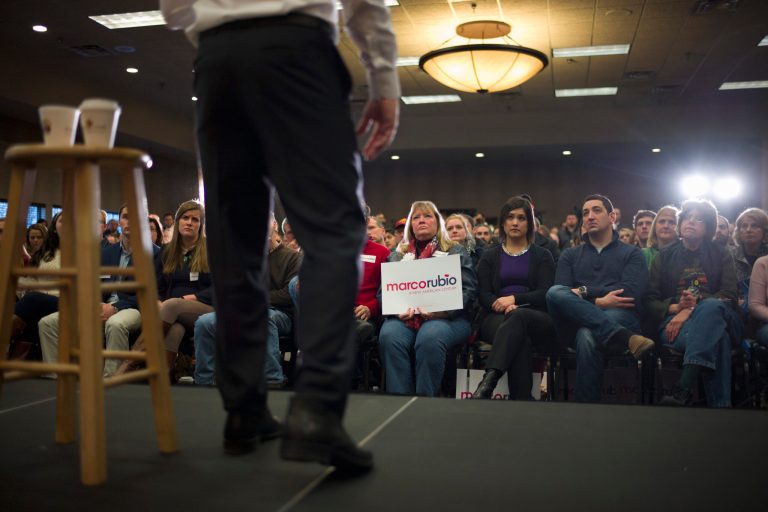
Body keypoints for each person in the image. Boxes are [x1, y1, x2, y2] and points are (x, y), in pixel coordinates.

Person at [161, 0, 400, 472]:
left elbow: (174, 8)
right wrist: (384, 78)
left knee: (234, 242)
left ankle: (245, 411)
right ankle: (315, 410)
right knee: (336, 229)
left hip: (217, 64)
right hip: (295, 51)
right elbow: (364, 6)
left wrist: (225, 32)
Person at [546, 194, 654, 403]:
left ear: (612, 216)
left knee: (588, 334)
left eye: (597, 210)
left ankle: (586, 412)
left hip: (621, 316)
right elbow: (562, 293)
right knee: (554, 292)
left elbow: (629, 292)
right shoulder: (570, 255)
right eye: (586, 213)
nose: (590, 216)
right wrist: (600, 301)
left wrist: (584, 292)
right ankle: (625, 338)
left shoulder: (632, 253)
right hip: (575, 324)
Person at [38, 205, 161, 376]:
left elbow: (153, 294)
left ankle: (111, 382)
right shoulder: (105, 253)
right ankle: (54, 379)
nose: (129, 221)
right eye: (125, 217)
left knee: (116, 324)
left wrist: (115, 307)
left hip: (133, 307)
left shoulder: (155, 254)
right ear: (119, 221)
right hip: (100, 304)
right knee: (48, 323)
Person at [644, 199, 740, 407]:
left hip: (718, 315)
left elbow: (730, 296)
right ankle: (721, 408)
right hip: (674, 324)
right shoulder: (664, 256)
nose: (691, 222)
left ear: (708, 228)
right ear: (680, 224)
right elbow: (650, 301)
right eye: (687, 217)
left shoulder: (722, 253)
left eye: (699, 220)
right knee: (718, 338)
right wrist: (677, 308)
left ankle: (683, 387)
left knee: (711, 307)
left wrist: (689, 310)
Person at [378, 201, 477, 396]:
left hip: (448, 318)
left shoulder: (455, 251)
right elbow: (383, 295)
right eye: (416, 217)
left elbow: (469, 291)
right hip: (405, 318)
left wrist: (441, 312)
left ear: (438, 223)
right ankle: (399, 401)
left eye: (427, 216)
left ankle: (424, 402)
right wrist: (396, 312)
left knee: (430, 337)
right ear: (411, 225)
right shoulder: (397, 256)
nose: (421, 220)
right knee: (389, 336)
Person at [471, 196, 556, 399]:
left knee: (519, 318)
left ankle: (488, 381)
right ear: (502, 223)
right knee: (520, 337)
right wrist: (500, 304)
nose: (515, 222)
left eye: (521, 218)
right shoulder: (489, 256)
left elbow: (546, 293)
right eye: (510, 217)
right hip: (495, 315)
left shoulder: (543, 255)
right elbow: (483, 294)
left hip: (536, 316)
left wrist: (515, 300)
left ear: (530, 224)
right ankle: (522, 400)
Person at [8, 212, 63, 360]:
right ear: (55, 227)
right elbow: (32, 280)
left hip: (65, 300)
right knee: (32, 321)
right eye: (62, 221)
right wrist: (16, 282)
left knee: (33, 299)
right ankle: (15, 365)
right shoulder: (46, 251)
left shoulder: (82, 251)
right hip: (41, 300)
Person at [729, 208, 768, 317]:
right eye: (744, 226)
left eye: (754, 226)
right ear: (739, 230)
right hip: (737, 308)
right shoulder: (729, 256)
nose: (748, 230)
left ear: (764, 231)